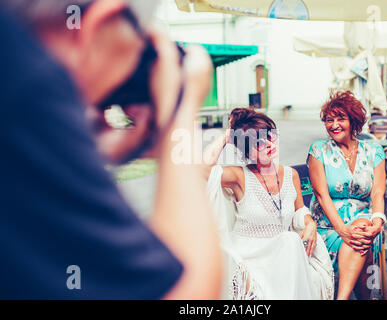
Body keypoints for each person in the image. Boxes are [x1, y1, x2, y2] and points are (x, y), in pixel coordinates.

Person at [0, 0, 222, 299]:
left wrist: (84, 148)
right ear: (101, 19)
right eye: (140, 51)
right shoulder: (26, 84)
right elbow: (187, 295)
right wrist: (180, 109)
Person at [204, 107, 334, 300]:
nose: (268, 144)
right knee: (290, 242)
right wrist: (228, 134)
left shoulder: (292, 175)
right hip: (249, 255)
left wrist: (310, 223)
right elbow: (202, 169)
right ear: (247, 151)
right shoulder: (240, 177)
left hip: (281, 254)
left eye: (269, 136)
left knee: (290, 241)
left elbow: (301, 210)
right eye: (258, 143)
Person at [307, 91, 386, 300]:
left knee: (363, 231)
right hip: (328, 225)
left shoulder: (374, 151)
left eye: (340, 118)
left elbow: (378, 191)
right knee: (360, 241)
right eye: (329, 120)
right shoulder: (318, 150)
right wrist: (343, 231)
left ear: (354, 121)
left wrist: (378, 220)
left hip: (364, 220)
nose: (334, 125)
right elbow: (321, 195)